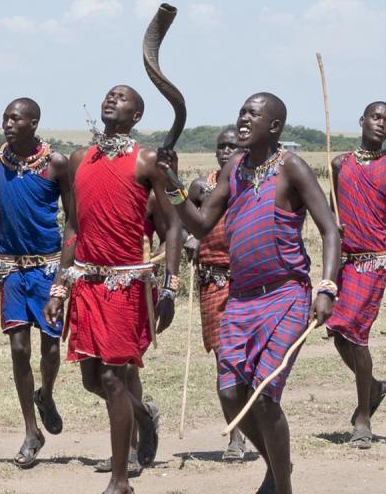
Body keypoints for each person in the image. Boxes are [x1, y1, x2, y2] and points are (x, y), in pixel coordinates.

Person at [158, 92, 341, 494]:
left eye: (252, 115)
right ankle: (278, 465)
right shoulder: (236, 168)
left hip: (286, 294)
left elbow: (330, 229)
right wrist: (171, 184)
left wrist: (327, 287)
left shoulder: (292, 168)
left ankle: (282, 483)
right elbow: (202, 224)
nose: (243, 119)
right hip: (241, 298)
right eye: (241, 112)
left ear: (273, 126)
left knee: (263, 394)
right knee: (230, 390)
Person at [44, 85, 182, 494]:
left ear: (136, 115)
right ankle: (143, 415)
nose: (112, 100)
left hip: (127, 284)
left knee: (111, 378)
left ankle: (120, 481)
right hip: (85, 282)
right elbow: (73, 226)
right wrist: (59, 287)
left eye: (122, 98)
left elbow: (174, 224)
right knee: (91, 380)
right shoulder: (78, 160)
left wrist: (170, 286)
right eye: (109, 95)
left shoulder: (148, 161)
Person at [0, 98, 70, 467]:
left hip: (47, 268)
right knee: (18, 349)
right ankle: (31, 432)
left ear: (34, 123)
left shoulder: (55, 165)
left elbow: (73, 220)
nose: (8, 123)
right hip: (12, 268)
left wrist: (64, 273)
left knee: (49, 349)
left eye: (16, 118)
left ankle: (45, 394)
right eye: (5, 117)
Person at [326, 101, 386, 449]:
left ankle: (363, 416)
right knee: (337, 332)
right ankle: (373, 386)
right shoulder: (339, 163)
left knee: (355, 334)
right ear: (361, 121)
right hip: (343, 261)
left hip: (373, 264)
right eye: (376, 117)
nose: (381, 124)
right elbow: (330, 218)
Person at [186, 126, 248, 459]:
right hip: (212, 283)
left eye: (233, 146)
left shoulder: (252, 186)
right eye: (221, 146)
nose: (226, 152)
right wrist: (189, 239)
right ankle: (235, 436)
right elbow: (184, 225)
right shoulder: (201, 187)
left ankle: (254, 425)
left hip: (248, 284)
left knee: (247, 361)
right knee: (224, 360)